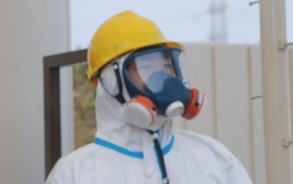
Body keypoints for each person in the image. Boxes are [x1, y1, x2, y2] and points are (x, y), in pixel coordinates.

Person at [45, 10, 253, 184]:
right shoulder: (75, 174)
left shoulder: (214, 158)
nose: (162, 78)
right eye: (146, 67)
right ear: (111, 81)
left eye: (165, 66)